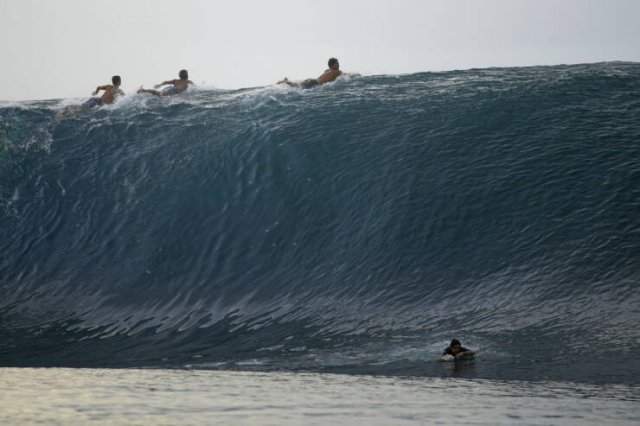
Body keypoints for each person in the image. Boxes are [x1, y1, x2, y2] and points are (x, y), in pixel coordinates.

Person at [278, 57, 343, 89]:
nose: (338, 65)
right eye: (337, 63)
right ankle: (286, 82)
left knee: (298, 85)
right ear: (332, 65)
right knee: (298, 88)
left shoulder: (327, 71)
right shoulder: (337, 72)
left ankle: (286, 81)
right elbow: (347, 77)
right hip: (314, 83)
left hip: (312, 80)